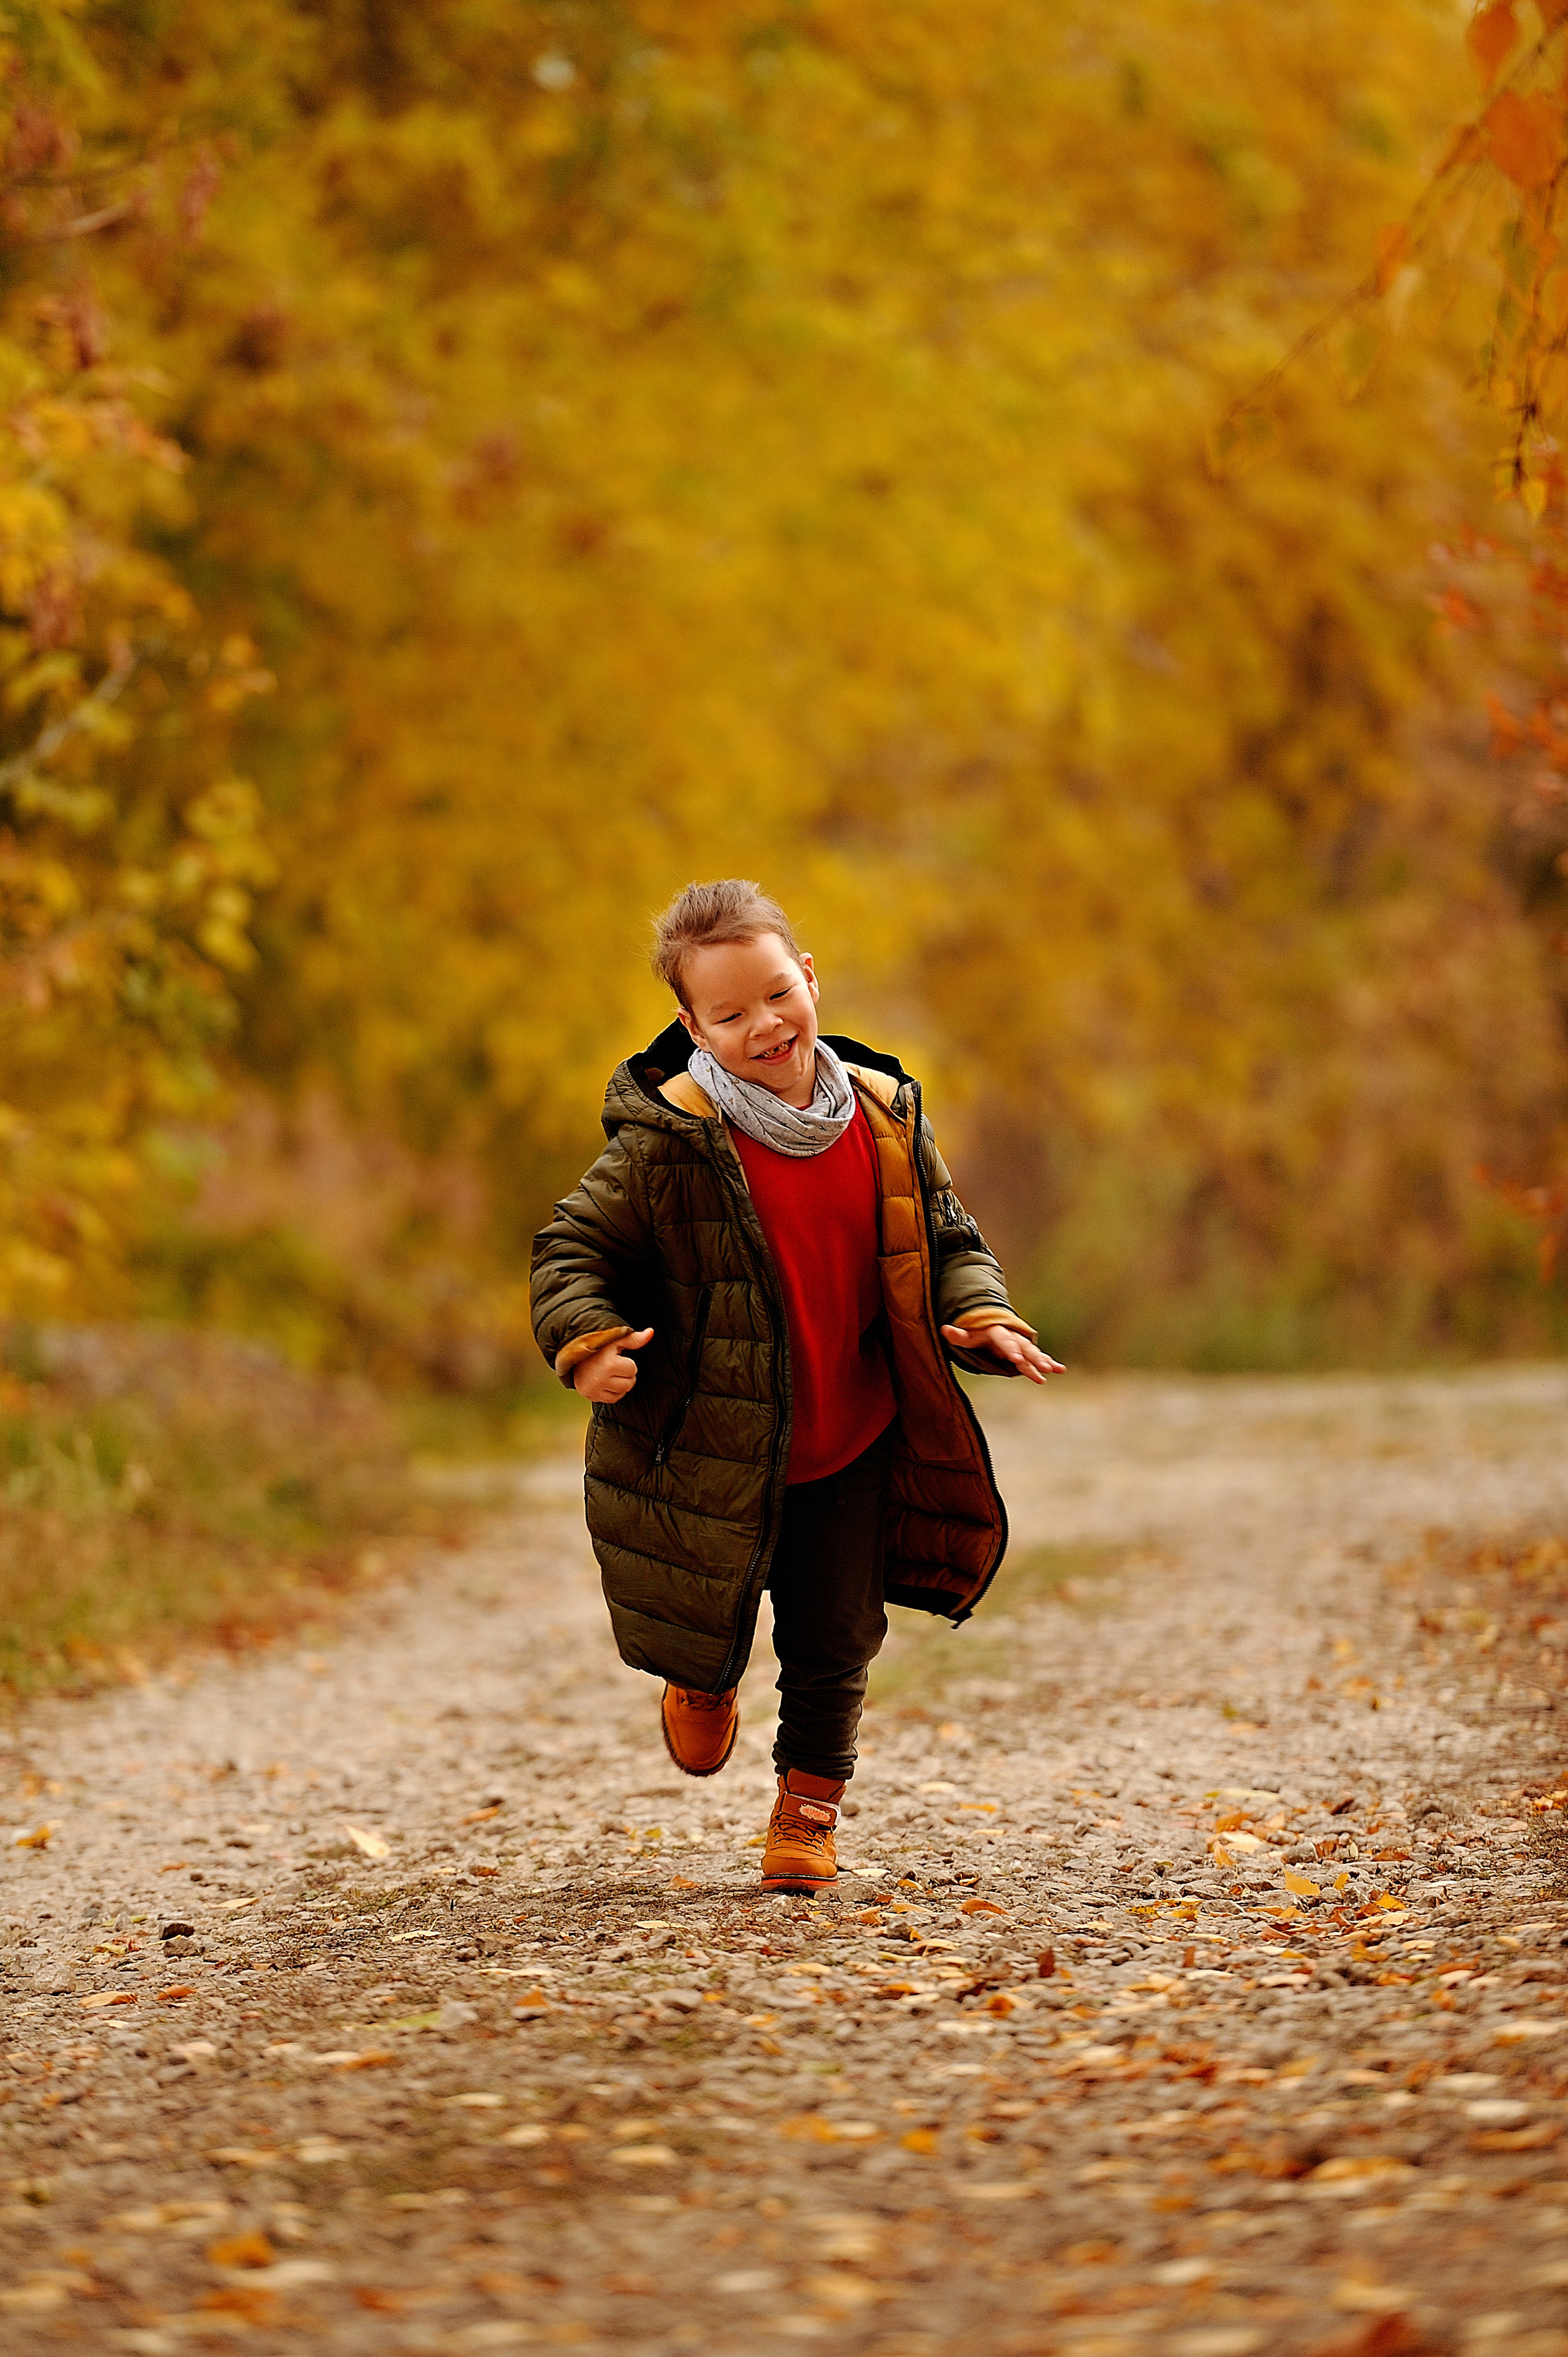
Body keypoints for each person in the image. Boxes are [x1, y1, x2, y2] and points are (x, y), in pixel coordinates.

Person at [530, 879, 1060, 1893]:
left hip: (849, 1435)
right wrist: (587, 1339)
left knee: (836, 1639)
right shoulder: (669, 1141)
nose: (763, 1025)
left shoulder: (884, 1114)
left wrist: (980, 1314)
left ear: (808, 977)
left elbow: (943, 1236)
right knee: (709, 1604)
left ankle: (807, 1813)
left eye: (777, 995)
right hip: (711, 1440)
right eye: (728, 1015)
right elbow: (572, 1249)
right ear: (691, 1025)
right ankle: (705, 1671)